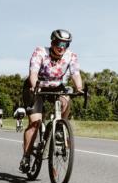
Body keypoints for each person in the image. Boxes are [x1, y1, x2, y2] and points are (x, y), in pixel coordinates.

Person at [20, 29, 83, 173]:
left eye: (66, 44)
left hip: (55, 86)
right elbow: (33, 72)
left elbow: (75, 74)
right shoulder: (40, 52)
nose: (62, 47)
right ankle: (26, 156)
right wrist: (35, 86)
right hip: (36, 86)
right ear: (52, 42)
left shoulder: (71, 56)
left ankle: (60, 127)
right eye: (59, 43)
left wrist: (79, 88)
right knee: (35, 123)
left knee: (66, 98)